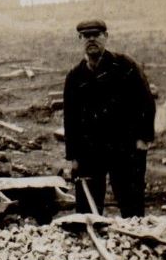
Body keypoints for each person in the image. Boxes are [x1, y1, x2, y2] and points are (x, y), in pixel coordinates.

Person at [64, 19, 155, 217]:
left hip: (124, 147)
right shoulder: (74, 76)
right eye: (86, 36)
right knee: (87, 208)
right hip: (89, 151)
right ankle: (89, 243)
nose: (91, 40)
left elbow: (146, 102)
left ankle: (134, 241)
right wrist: (73, 157)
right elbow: (70, 119)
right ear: (79, 39)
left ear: (106, 37)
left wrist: (143, 139)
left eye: (96, 35)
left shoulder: (125, 66)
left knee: (131, 203)